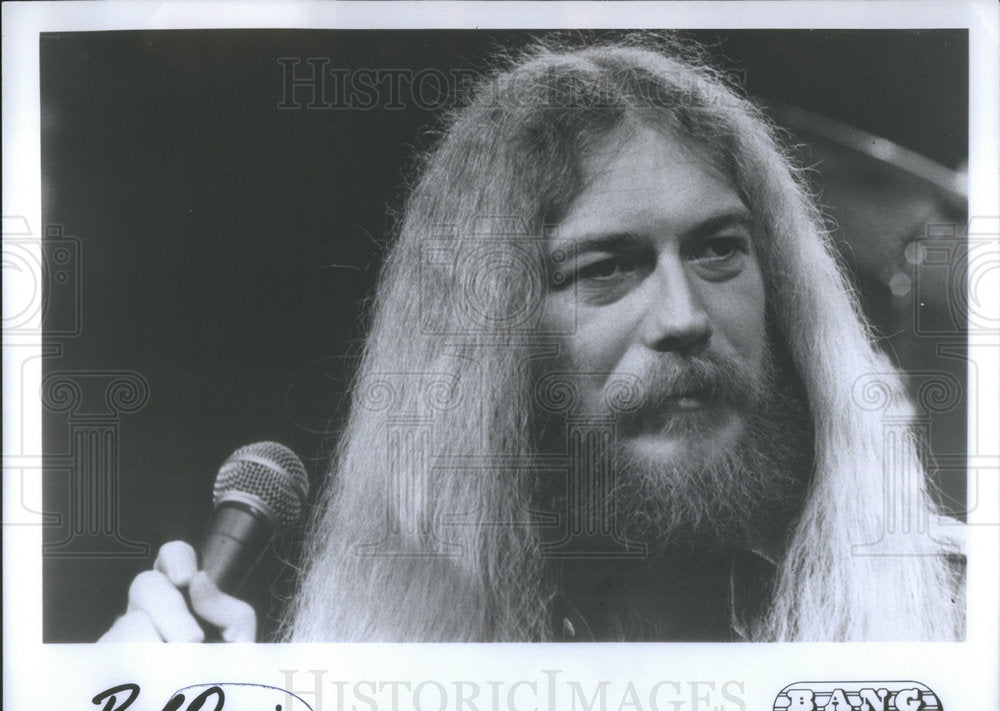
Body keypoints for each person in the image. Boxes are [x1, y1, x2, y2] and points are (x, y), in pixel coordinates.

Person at [100, 33, 966, 644]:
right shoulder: (365, 671)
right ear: (492, 349)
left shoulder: (962, 617)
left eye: (719, 250)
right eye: (605, 269)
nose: (684, 317)